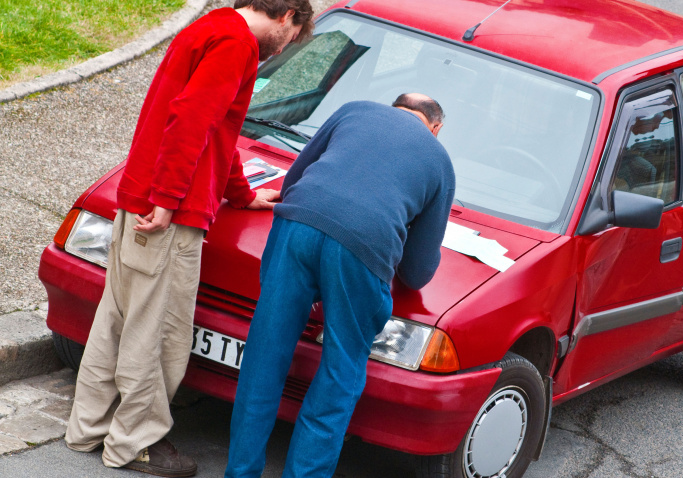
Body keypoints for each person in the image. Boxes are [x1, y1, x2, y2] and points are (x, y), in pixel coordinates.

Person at [64, 1, 314, 476]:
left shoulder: (211, 25)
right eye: (294, 35)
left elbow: (219, 129)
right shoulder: (238, 45)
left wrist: (240, 193)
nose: (284, 47)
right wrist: (169, 197)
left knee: (116, 318)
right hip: (168, 213)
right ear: (287, 16)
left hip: (139, 197)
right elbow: (194, 119)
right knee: (156, 332)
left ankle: (87, 429)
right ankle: (134, 444)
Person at [225, 94, 455, 478]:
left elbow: (296, 178)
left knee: (265, 355)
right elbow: (416, 272)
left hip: (296, 225)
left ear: (392, 107)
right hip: (361, 251)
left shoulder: (355, 110)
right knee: (339, 374)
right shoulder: (439, 160)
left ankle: (240, 472)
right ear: (436, 128)